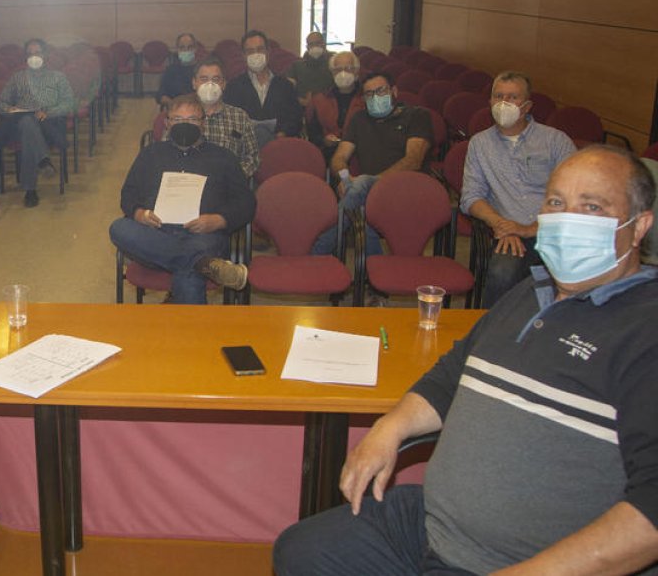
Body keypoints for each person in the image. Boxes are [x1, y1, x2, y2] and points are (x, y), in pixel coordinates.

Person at [274, 145, 658, 576]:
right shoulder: (528, 294)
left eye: (592, 207)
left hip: (524, 562)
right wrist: (389, 428)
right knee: (302, 551)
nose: (568, 219)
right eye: (556, 203)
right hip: (433, 525)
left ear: (639, 226)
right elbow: (450, 376)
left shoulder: (646, 329)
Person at [109, 94, 254, 304]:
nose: (184, 124)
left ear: (203, 123)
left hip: (203, 235)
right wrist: (140, 214)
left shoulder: (224, 157)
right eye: (177, 119)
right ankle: (203, 264)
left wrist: (218, 220)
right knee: (119, 228)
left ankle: (192, 266)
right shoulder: (150, 154)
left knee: (189, 273)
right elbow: (128, 194)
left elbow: (246, 202)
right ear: (167, 123)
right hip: (154, 234)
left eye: (192, 119)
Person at [461, 71, 576, 306]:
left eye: (513, 97)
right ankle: (494, 326)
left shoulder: (556, 141)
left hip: (553, 229)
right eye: (498, 96)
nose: (504, 103)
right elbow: (471, 196)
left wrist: (530, 229)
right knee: (502, 272)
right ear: (490, 102)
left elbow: (575, 195)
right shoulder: (480, 144)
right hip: (508, 233)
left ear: (526, 106)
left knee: (583, 272)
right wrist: (501, 225)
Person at [312, 71, 432, 257]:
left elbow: (413, 161)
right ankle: (374, 267)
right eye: (369, 93)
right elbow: (339, 157)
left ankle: (318, 252)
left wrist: (373, 182)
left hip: (407, 190)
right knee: (361, 202)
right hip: (367, 195)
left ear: (394, 91)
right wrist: (345, 179)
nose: (375, 96)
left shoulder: (416, 115)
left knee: (362, 186)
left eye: (381, 90)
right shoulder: (359, 119)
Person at [0, 38, 75, 208]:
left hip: (49, 125)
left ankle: (30, 191)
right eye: (29, 54)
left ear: (46, 55)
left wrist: (49, 112)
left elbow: (69, 103)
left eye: (37, 53)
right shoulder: (18, 78)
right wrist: (9, 109)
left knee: (28, 132)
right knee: (27, 123)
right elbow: (0, 102)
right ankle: (43, 161)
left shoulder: (57, 77)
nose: (33, 57)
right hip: (21, 124)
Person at [221, 30, 302, 140]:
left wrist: (282, 134)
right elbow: (228, 123)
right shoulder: (233, 87)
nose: (256, 54)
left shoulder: (285, 86)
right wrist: (243, 138)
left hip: (279, 144)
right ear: (243, 56)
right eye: (250, 51)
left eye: (260, 49)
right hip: (244, 145)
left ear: (268, 52)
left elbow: (295, 120)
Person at [189, 57, 261, 178]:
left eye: (216, 79)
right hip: (190, 182)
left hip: (228, 183)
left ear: (223, 84)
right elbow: (167, 153)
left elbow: (252, 157)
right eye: (204, 79)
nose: (210, 85)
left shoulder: (240, 117)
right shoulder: (180, 116)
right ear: (194, 83)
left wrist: (234, 176)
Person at [304, 51, 363, 162]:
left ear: (356, 71)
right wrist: (323, 140)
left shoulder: (366, 98)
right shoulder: (319, 99)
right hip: (328, 154)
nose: (343, 73)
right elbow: (312, 131)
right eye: (338, 69)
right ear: (332, 73)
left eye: (348, 68)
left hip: (359, 155)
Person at [286, 31, 334, 102]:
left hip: (328, 104)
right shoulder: (297, 66)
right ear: (307, 47)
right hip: (302, 105)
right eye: (311, 44)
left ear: (324, 44)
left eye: (318, 43)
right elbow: (287, 88)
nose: (315, 46)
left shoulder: (334, 63)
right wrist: (299, 100)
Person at [156, 32, 198, 110]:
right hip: (175, 109)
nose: (186, 50)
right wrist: (171, 103)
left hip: (197, 108)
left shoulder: (202, 69)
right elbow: (160, 94)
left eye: (190, 47)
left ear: (195, 49)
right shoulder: (170, 70)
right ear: (177, 49)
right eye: (182, 47)